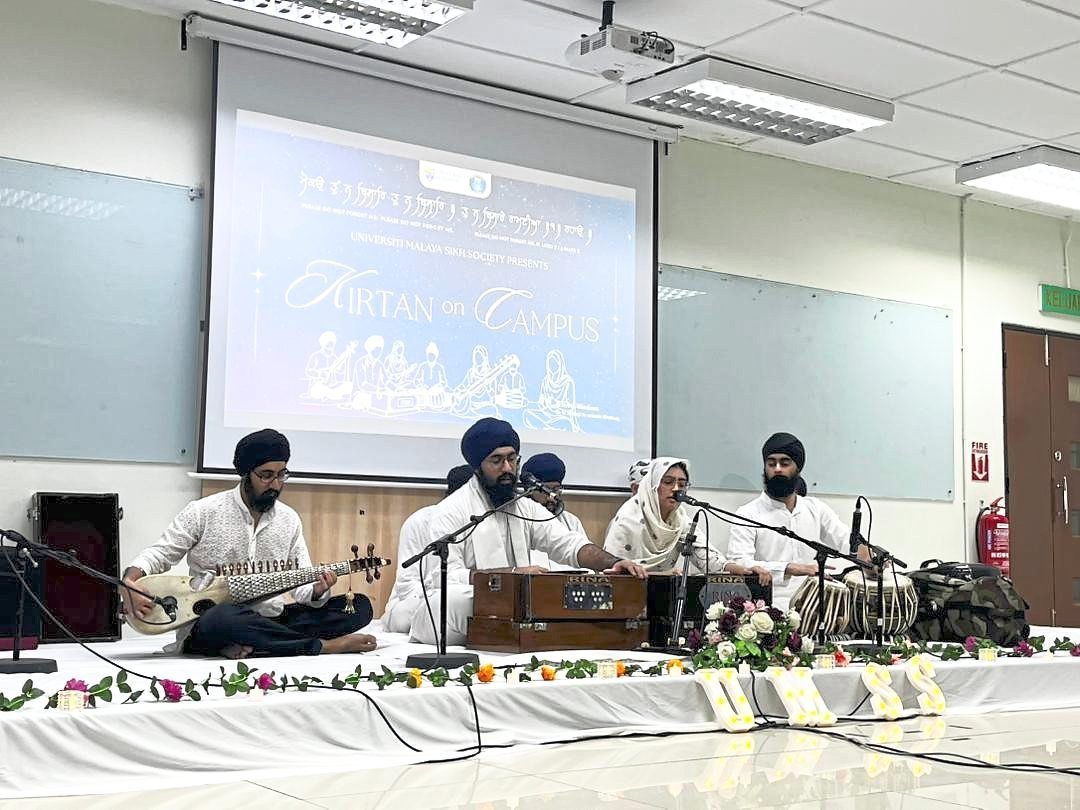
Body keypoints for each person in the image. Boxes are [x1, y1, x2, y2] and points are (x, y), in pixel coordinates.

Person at [121, 429, 376, 658]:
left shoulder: (288, 520)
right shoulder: (204, 511)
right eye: (266, 475)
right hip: (214, 621)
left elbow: (303, 590)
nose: (275, 485)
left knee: (359, 607)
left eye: (281, 475)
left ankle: (260, 645)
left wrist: (318, 591)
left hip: (270, 620)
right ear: (245, 473)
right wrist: (130, 583)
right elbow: (159, 553)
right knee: (224, 617)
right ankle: (322, 646)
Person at [408, 418, 647, 645]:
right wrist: (511, 575)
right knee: (457, 601)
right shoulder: (452, 510)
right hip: (446, 616)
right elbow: (444, 578)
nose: (508, 468)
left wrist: (614, 561)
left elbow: (568, 543)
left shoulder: (523, 506)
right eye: (497, 461)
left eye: (513, 459)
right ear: (477, 466)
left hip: (510, 605)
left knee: (560, 591)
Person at [727, 432, 865, 610]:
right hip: (767, 608)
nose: (777, 469)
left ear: (797, 468)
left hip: (814, 605)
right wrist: (790, 568)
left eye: (784, 463)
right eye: (771, 463)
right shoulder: (748, 513)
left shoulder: (815, 508)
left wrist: (870, 557)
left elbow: (845, 540)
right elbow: (739, 563)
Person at [603, 457, 770, 580]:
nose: (676, 489)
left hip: (663, 599)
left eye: (682, 484)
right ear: (652, 485)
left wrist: (740, 569)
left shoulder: (680, 519)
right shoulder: (628, 519)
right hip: (628, 601)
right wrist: (662, 575)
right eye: (668, 482)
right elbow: (612, 571)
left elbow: (704, 555)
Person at [381, 464, 474, 634]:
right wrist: (441, 593)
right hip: (415, 602)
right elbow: (406, 586)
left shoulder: (484, 523)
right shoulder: (419, 521)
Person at [520, 452, 585, 571]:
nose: (551, 497)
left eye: (556, 489)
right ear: (529, 490)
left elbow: (584, 565)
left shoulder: (571, 521)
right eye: (545, 490)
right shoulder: (518, 521)